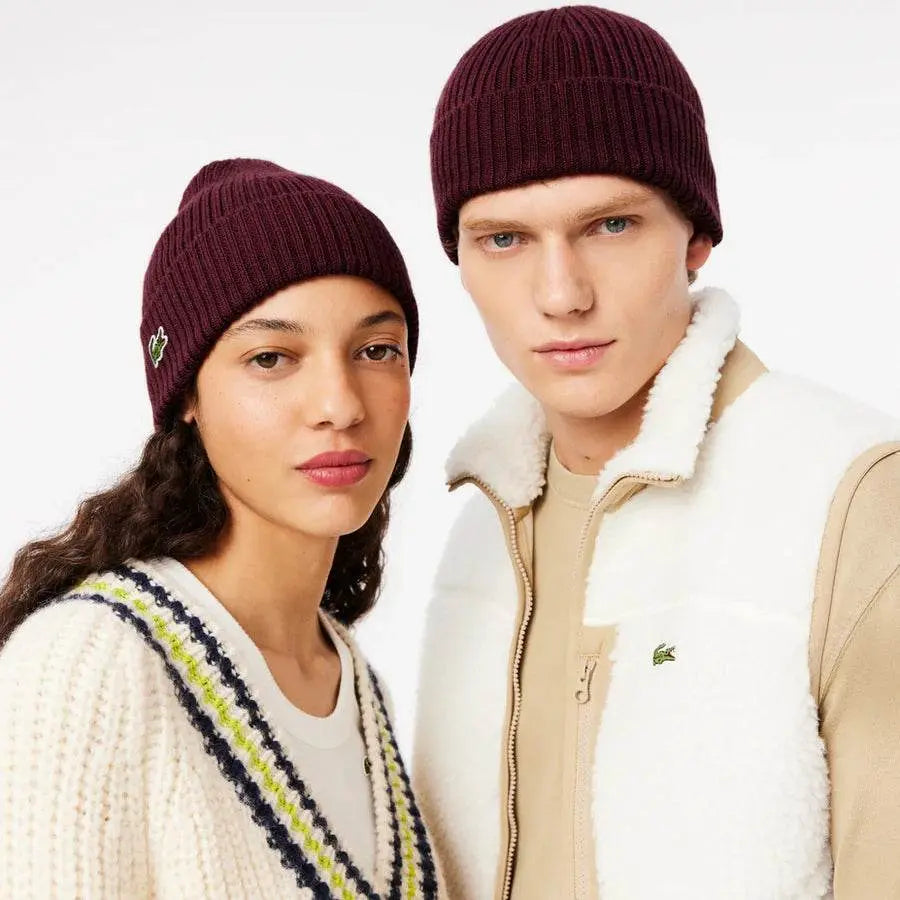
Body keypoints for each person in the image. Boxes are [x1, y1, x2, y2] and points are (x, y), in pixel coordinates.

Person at [413, 7, 900, 899]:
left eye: (610, 225)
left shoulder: (852, 501)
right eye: (505, 239)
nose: (560, 295)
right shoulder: (482, 524)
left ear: (696, 237)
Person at [0, 158, 440, 899]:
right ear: (188, 397)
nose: (340, 404)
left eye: (376, 351)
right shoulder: (87, 666)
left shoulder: (353, 682)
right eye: (271, 358)